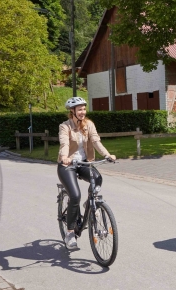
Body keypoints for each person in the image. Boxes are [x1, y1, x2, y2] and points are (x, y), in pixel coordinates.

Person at [58, 97, 116, 249]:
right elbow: (64, 143)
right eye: (79, 109)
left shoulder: (89, 125)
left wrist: (107, 155)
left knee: (97, 178)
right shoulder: (65, 126)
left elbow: (96, 141)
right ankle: (70, 233)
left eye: (84, 109)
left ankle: (90, 202)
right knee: (75, 195)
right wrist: (64, 157)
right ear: (72, 112)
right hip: (67, 165)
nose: (82, 112)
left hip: (84, 162)